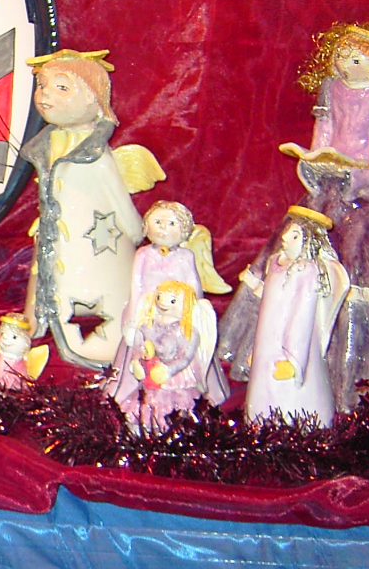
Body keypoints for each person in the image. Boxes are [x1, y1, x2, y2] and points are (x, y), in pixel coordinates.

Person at [219, 25, 369, 408]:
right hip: (330, 184)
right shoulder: (331, 89)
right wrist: (315, 160)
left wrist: (362, 175)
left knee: (367, 256)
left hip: (368, 186)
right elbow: (325, 130)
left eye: (357, 59)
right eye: (341, 56)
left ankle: (365, 362)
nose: (346, 64)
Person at [18, 50, 163, 368]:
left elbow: (118, 198)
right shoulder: (49, 145)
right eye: (42, 85)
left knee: (99, 285)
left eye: (62, 87)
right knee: (48, 275)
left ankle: (102, 336)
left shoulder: (97, 156)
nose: (45, 94)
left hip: (99, 242)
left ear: (94, 100)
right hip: (57, 238)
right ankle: (38, 318)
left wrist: (135, 230)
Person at [243, 208, 350, 427]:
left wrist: (294, 361)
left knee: (292, 397)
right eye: (287, 232)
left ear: (309, 243)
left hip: (291, 352)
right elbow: (265, 314)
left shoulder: (307, 271)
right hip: (267, 349)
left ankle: (303, 423)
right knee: (264, 397)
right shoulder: (275, 264)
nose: (284, 238)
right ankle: (260, 421)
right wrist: (257, 349)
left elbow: (302, 317)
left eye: (295, 235)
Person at [111, 281, 226, 432]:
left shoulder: (187, 332)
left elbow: (186, 357)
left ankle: (173, 429)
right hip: (151, 374)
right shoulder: (148, 325)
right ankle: (146, 427)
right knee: (147, 400)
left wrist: (168, 370)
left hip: (174, 377)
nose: (163, 303)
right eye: (159, 297)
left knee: (172, 404)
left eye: (172, 301)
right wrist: (137, 359)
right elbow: (140, 345)